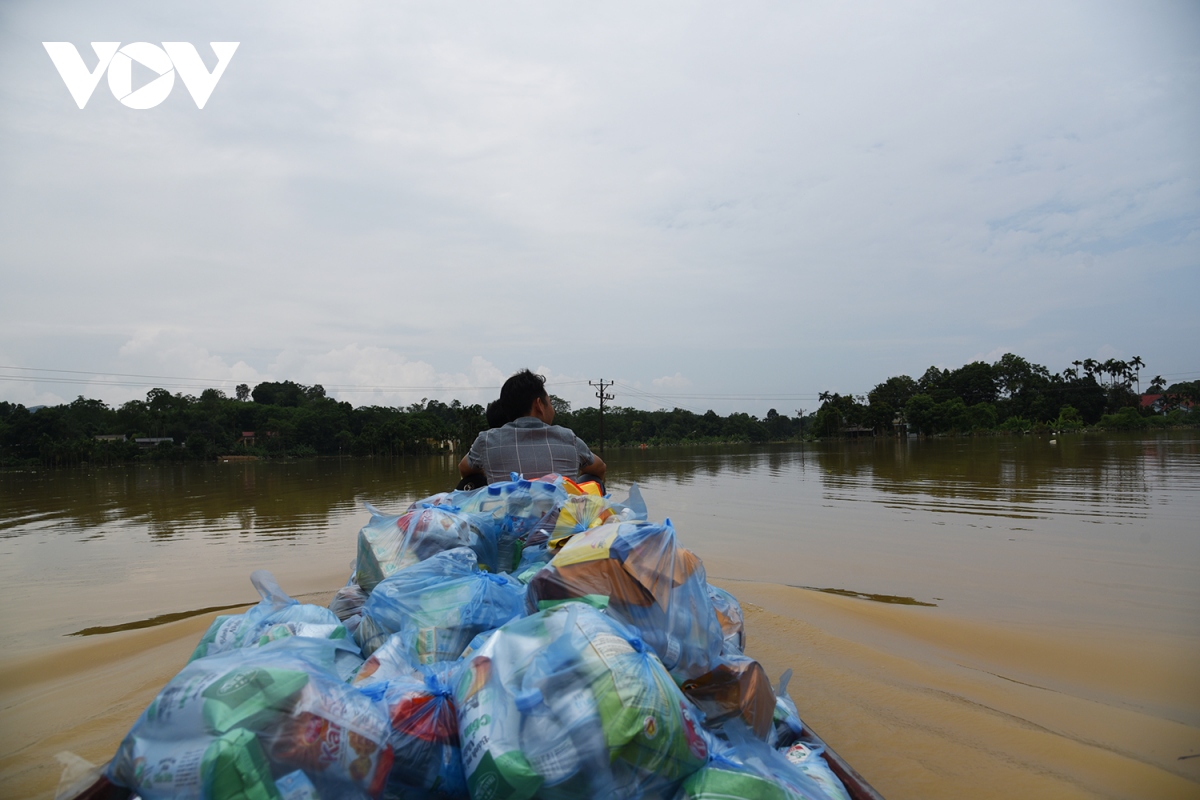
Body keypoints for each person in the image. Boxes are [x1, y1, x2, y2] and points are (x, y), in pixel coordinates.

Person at [459, 369, 607, 487]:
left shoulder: (486, 440)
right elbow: (600, 468)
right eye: (549, 403)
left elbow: (464, 468)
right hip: (561, 521)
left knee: (471, 481)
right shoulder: (568, 438)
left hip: (507, 522)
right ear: (539, 405)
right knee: (592, 478)